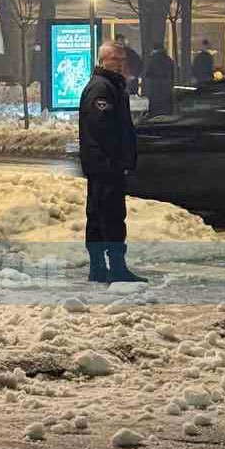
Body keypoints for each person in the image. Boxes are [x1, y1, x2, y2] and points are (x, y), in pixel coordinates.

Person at [79, 41, 145, 284]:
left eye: (122, 60)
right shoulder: (102, 89)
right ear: (102, 60)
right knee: (110, 217)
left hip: (104, 165)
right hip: (106, 166)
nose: (120, 64)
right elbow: (102, 130)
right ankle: (114, 267)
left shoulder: (110, 86)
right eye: (114, 59)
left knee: (100, 216)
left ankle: (99, 268)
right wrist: (114, 161)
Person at [141, 46, 175, 116]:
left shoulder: (150, 60)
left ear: (154, 50)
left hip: (154, 87)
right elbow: (172, 73)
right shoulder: (168, 60)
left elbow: (146, 73)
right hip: (166, 86)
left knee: (154, 108)